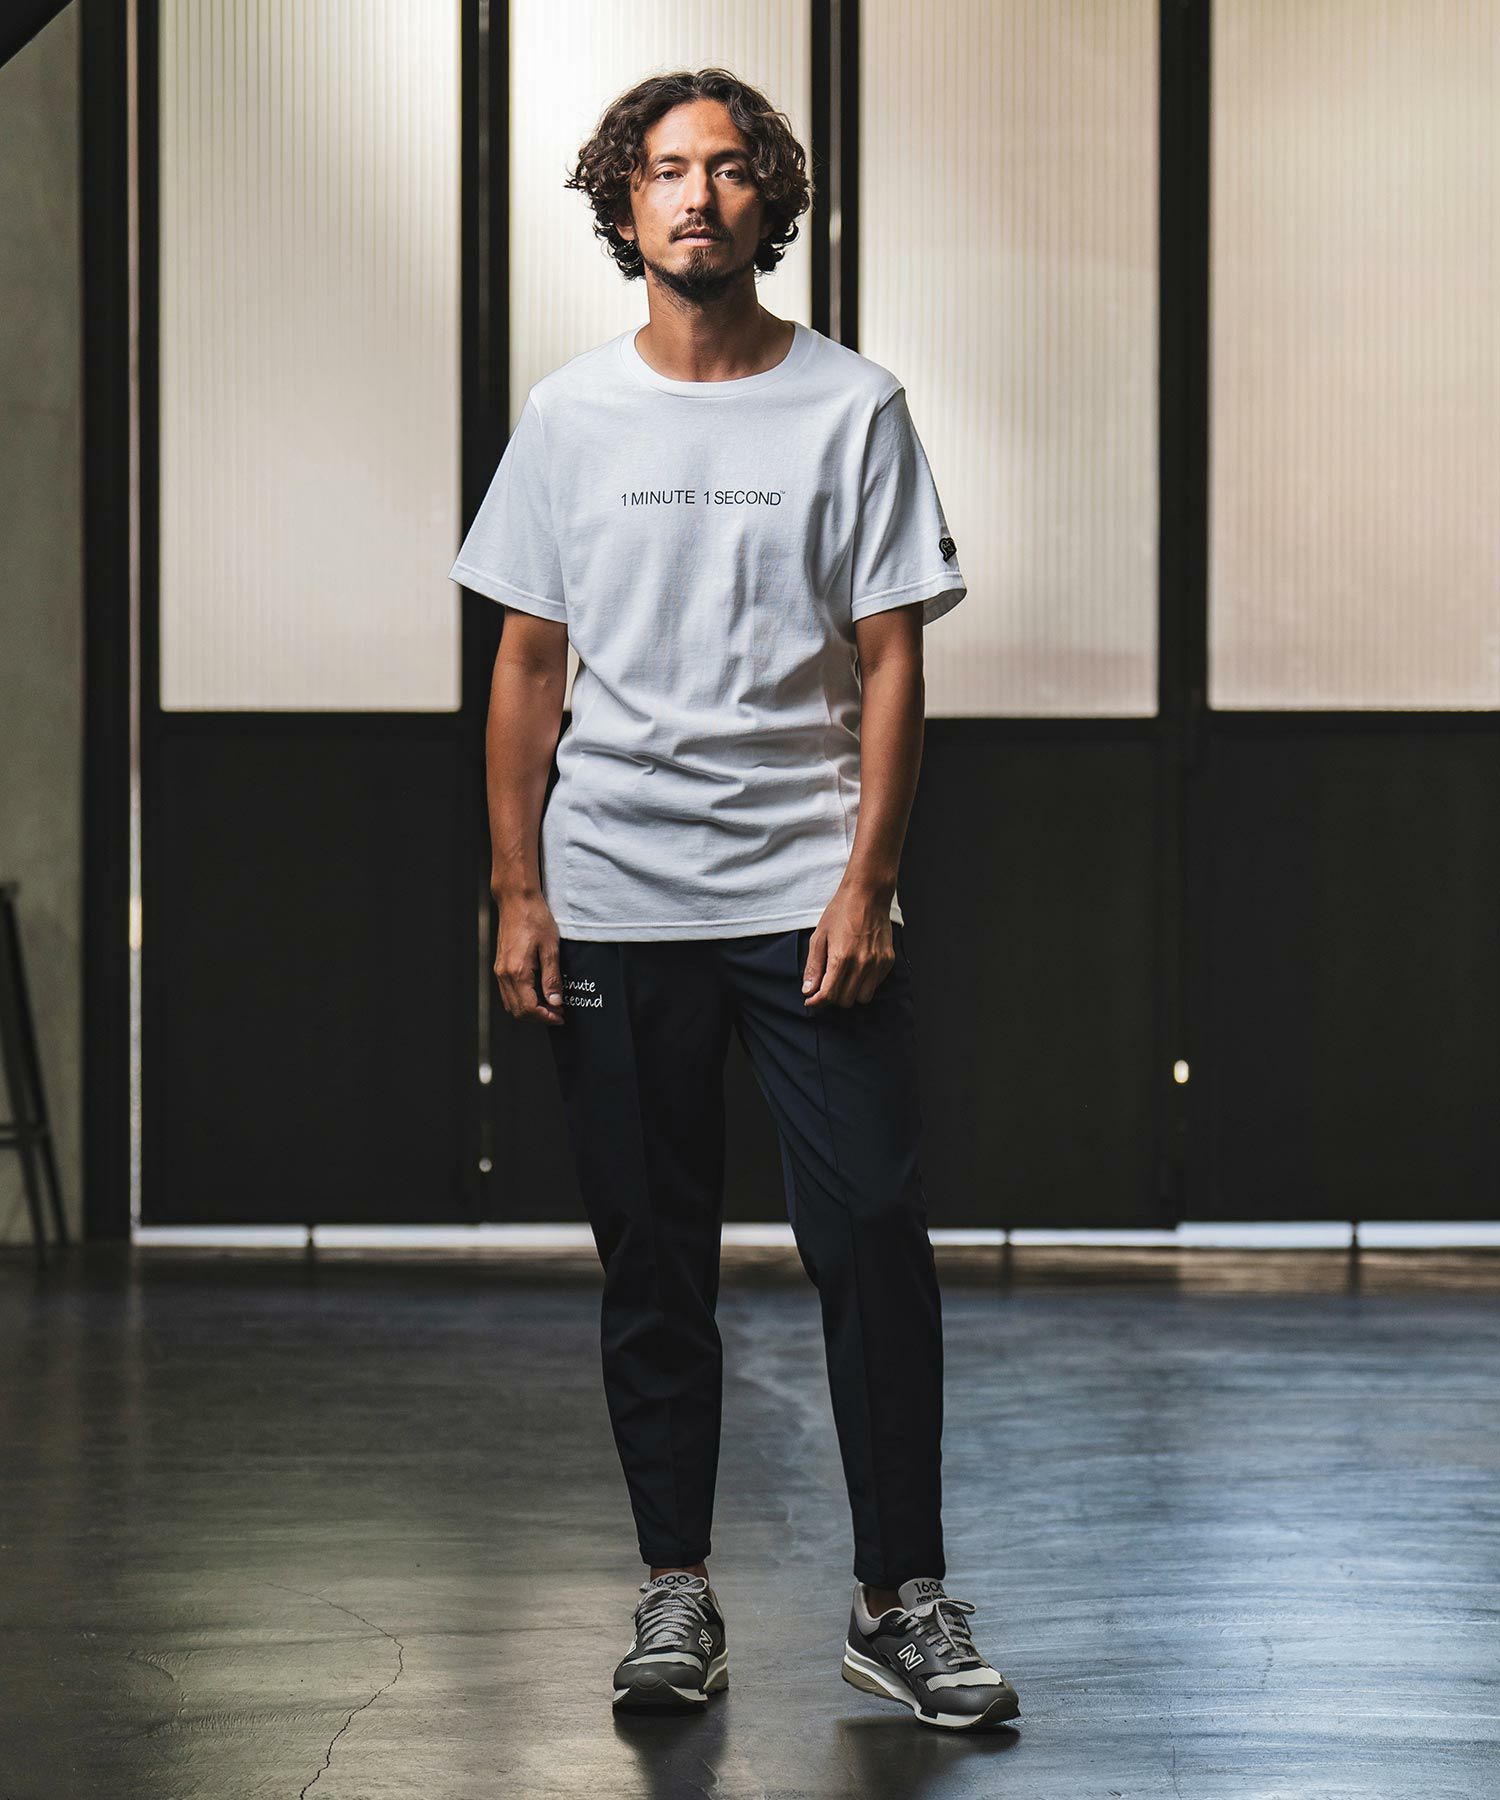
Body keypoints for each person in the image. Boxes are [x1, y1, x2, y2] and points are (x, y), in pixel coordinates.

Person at [449, 66, 1020, 1733]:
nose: (695, 194)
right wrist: (519, 888)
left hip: (803, 899)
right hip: (615, 893)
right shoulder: (569, 416)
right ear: (622, 205)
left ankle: (898, 1602)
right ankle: (675, 1592)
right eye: (663, 169)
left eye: (725, 168)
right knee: (655, 1262)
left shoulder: (854, 406)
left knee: (873, 1238)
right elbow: (529, 664)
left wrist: (868, 882)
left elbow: (893, 658)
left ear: (771, 199)